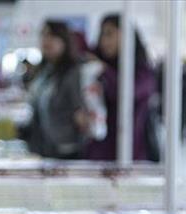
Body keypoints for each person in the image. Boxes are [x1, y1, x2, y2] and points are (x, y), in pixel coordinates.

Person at [86, 14, 156, 162]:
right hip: (97, 153)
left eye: (109, 34)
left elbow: (128, 92)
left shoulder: (142, 72)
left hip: (130, 154)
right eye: (102, 35)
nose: (104, 41)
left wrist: (104, 70)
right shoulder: (94, 67)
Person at [25, 20, 87, 159]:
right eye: (44, 35)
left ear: (64, 40)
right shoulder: (45, 71)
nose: (46, 40)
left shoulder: (73, 72)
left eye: (52, 36)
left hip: (66, 148)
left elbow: (79, 111)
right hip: (44, 146)